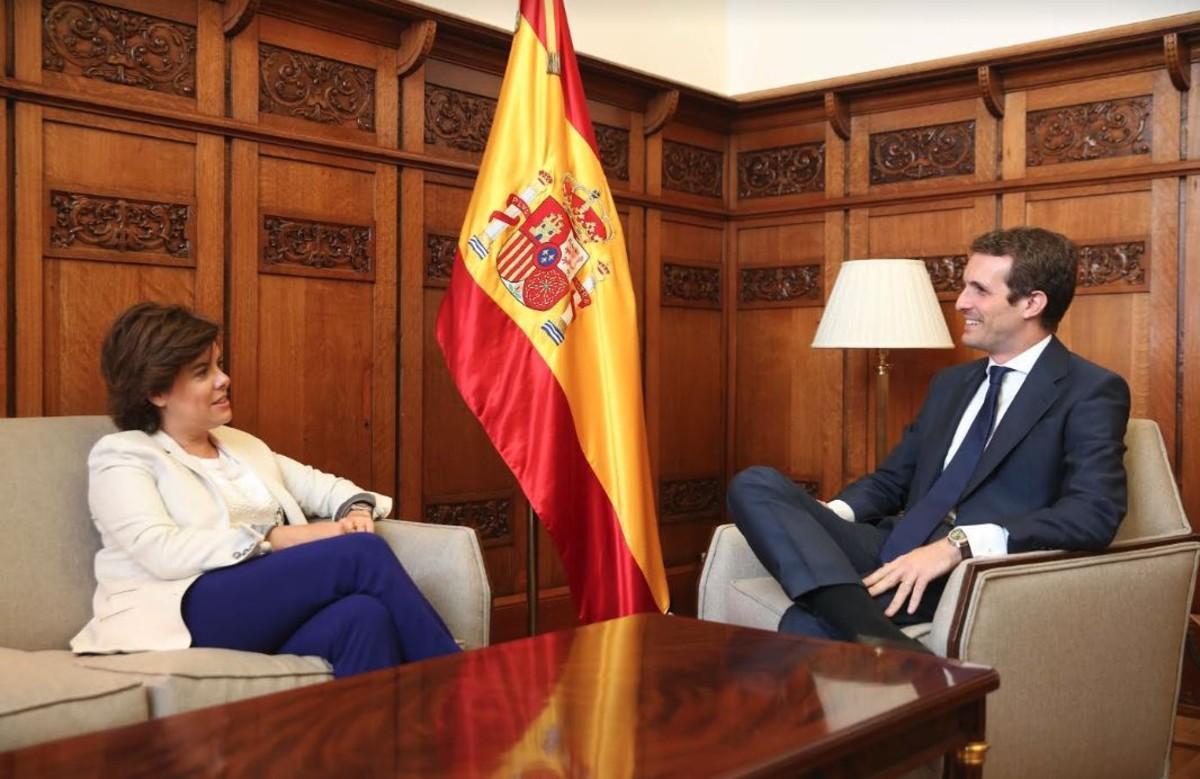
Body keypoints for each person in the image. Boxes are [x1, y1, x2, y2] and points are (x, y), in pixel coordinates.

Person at [727, 226, 1130, 653]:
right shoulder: (951, 384)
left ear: (1032, 303)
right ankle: (878, 635)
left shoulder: (1090, 390)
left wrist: (959, 545)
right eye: (964, 288)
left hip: (965, 571)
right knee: (754, 484)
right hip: (892, 543)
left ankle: (850, 620)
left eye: (979, 290)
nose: (961, 303)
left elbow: (1094, 514)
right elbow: (891, 482)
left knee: (811, 616)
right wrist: (822, 516)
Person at [70, 302, 460, 676]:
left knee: (363, 616)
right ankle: (468, 689)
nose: (224, 379)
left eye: (218, 364)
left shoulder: (242, 446)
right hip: (183, 610)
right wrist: (274, 537)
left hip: (260, 608)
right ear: (157, 392)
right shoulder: (123, 455)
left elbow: (332, 490)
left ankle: (381, 743)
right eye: (202, 371)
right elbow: (161, 551)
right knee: (361, 554)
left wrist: (356, 513)